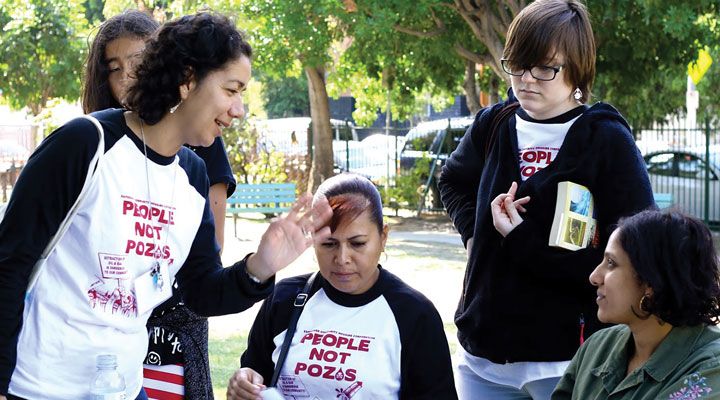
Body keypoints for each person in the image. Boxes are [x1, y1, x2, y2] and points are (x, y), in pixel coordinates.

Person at [0, 12, 332, 400]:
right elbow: (10, 263)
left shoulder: (193, 175)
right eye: (231, 89)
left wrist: (261, 265)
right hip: (40, 387)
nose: (240, 109)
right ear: (187, 80)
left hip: (122, 388)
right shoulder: (85, 144)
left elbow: (200, 291)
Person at [437, 0, 655, 398]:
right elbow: (451, 180)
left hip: (569, 360)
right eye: (516, 65)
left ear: (576, 67)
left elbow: (637, 245)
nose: (526, 80)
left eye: (544, 68)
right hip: (483, 357)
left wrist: (521, 240)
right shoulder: (494, 123)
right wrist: (474, 236)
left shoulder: (605, 139)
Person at [81, 10, 238, 398]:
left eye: (137, 64)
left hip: (176, 312)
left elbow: (209, 250)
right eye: (113, 69)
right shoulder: (93, 138)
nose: (126, 79)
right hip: (104, 323)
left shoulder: (201, 145)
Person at [226, 173, 457, 400]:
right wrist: (244, 384)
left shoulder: (414, 315)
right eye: (329, 244)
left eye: (357, 243)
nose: (342, 258)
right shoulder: (284, 299)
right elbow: (254, 373)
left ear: (383, 237)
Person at [552, 210, 720, 399]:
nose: (594, 277)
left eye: (611, 263)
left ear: (651, 282)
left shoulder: (710, 367)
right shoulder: (597, 347)